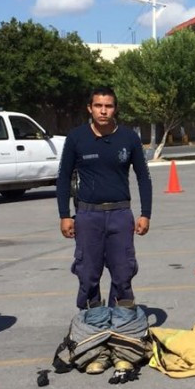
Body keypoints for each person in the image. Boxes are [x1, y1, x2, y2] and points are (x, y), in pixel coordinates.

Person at [56, 88, 152, 323]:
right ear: (90, 108)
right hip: (88, 216)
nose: (103, 111)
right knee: (87, 273)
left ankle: (122, 327)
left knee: (123, 272)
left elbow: (143, 177)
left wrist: (145, 213)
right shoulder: (77, 137)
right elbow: (63, 176)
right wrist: (65, 215)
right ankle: (94, 323)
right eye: (98, 106)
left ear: (115, 108)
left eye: (108, 106)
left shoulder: (129, 138)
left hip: (120, 214)